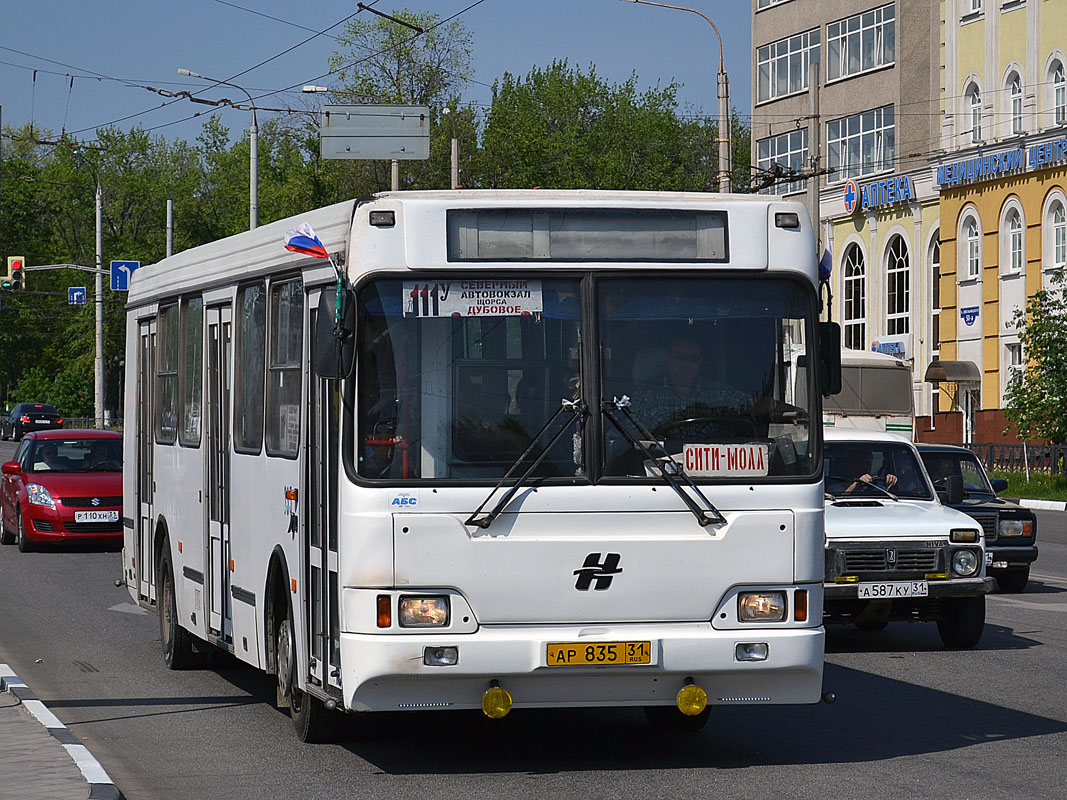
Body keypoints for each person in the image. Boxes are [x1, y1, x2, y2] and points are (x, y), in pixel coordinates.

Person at [629, 334, 750, 435]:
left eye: (694, 358)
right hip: (660, 461)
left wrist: (764, 406)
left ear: (700, 362)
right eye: (681, 357)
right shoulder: (646, 393)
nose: (687, 363)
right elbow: (632, 434)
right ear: (668, 359)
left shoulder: (718, 393)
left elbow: (750, 405)